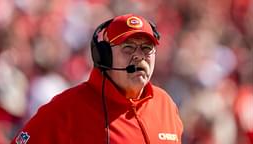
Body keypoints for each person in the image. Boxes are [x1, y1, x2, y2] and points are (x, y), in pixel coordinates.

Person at [11, 13, 183, 144]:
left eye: (147, 48)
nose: (139, 56)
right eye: (128, 47)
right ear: (104, 56)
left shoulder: (165, 105)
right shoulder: (67, 109)